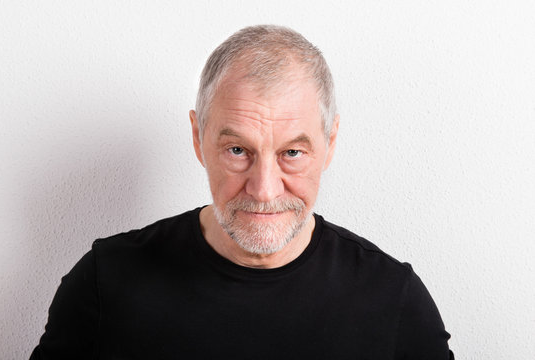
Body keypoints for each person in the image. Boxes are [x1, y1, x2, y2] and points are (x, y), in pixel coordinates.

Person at [30, 25, 454, 359]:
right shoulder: (105, 283)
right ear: (198, 139)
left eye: (291, 152)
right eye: (237, 150)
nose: (264, 190)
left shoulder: (392, 300)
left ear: (330, 143)